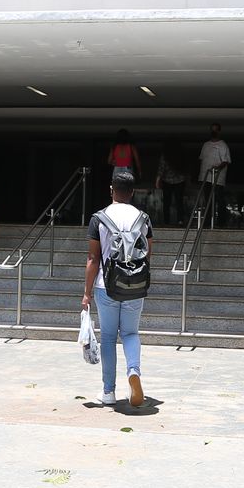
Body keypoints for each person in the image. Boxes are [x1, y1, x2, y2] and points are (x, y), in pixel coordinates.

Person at [82, 171, 151, 408]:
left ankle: (108, 392)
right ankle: (134, 372)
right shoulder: (143, 218)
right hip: (135, 285)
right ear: (132, 192)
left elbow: (93, 258)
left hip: (106, 286)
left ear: (111, 189)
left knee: (109, 338)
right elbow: (147, 254)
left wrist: (86, 293)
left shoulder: (99, 218)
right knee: (130, 333)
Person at [198, 123, 231, 224]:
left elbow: (226, 161)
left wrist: (217, 168)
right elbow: (202, 159)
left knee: (219, 199)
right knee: (207, 200)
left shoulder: (223, 145)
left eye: (216, 130)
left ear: (219, 131)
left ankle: (221, 222)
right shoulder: (206, 145)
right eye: (212, 130)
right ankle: (207, 221)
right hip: (205, 177)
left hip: (217, 178)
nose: (214, 132)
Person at [154, 140, 187, 226]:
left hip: (167, 181)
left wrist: (157, 180)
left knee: (167, 202)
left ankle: (166, 221)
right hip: (180, 180)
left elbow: (161, 168)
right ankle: (180, 220)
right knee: (179, 201)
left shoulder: (165, 155)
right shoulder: (181, 154)